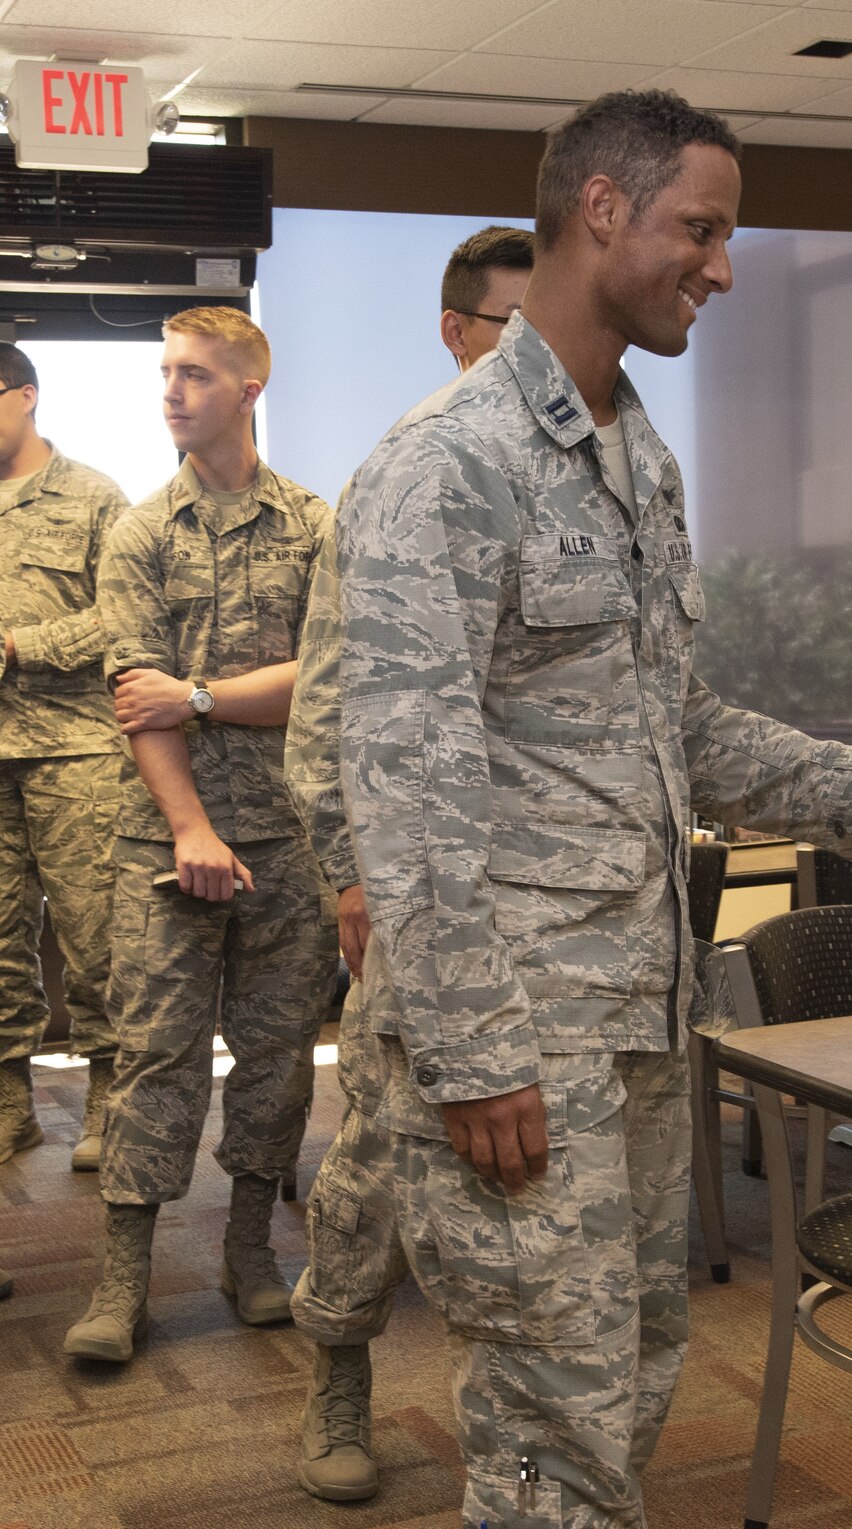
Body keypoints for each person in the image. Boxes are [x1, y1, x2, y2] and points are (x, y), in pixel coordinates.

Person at [338, 90, 852, 1527]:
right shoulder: (444, 468)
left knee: (629, 1378)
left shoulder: (633, 457)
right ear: (602, 211)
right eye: (702, 228)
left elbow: (670, 718)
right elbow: (404, 785)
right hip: (521, 1044)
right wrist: (477, 1052)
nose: (723, 268)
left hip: (632, 1016)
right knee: (554, 1425)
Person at [283, 224, 534, 1503]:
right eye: (513, 324)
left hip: (536, 904)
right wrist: (350, 878)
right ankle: (334, 1362)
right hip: (413, 895)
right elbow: (327, 717)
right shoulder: (413, 477)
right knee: (380, 1156)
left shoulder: (578, 479)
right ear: (458, 332)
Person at [65, 307, 337, 1363]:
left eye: (193, 374)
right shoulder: (140, 532)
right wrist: (189, 825)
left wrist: (204, 694)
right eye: (165, 373)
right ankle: (121, 1281)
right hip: (165, 848)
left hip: (288, 840)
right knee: (154, 1057)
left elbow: (326, 680)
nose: (171, 391)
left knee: (277, 1061)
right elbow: (139, 700)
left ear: (248, 390)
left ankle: (249, 1252)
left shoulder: (314, 524)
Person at [0, 341, 130, 1170]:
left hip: (75, 752)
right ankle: (11, 1107)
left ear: (25, 395)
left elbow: (122, 615)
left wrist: (20, 647)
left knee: (95, 938)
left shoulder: (92, 496)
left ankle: (110, 1105)